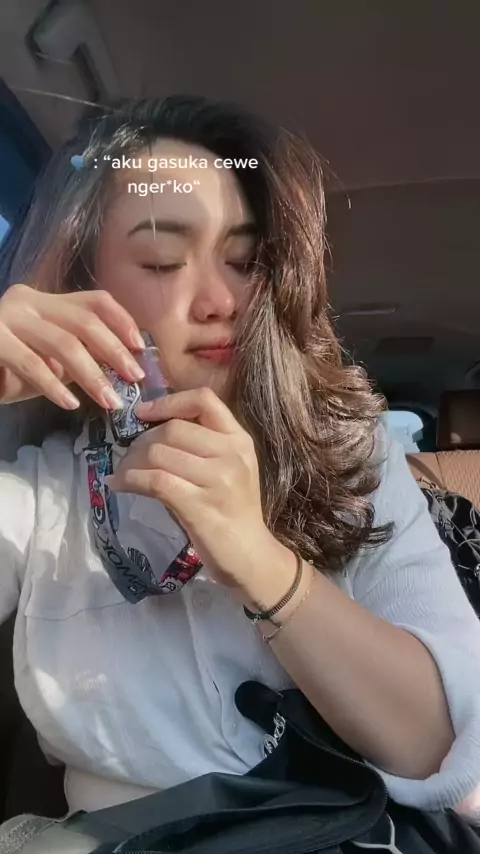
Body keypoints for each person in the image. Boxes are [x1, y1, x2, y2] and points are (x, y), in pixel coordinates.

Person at [0, 95, 479, 822]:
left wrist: (261, 562)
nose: (222, 299)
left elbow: (435, 748)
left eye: (246, 261)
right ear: (81, 282)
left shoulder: (354, 457)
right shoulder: (45, 489)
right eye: (163, 260)